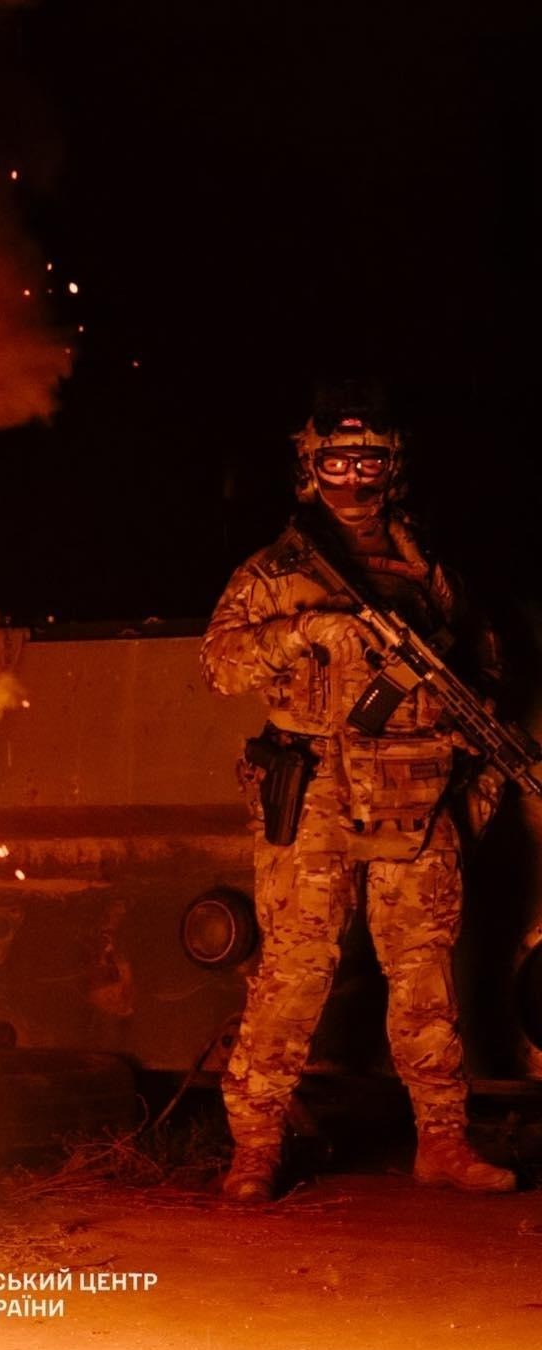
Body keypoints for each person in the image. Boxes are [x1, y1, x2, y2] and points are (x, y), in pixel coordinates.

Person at [200, 397, 515, 1201]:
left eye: (368, 461)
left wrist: (468, 743)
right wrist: (304, 632)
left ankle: (443, 1140)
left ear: (392, 467)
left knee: (425, 975)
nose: (352, 478)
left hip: (413, 792)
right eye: (335, 463)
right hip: (315, 791)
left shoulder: (428, 572)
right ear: (309, 469)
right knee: (296, 971)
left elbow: (481, 673)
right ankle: (256, 1147)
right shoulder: (276, 571)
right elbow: (220, 666)